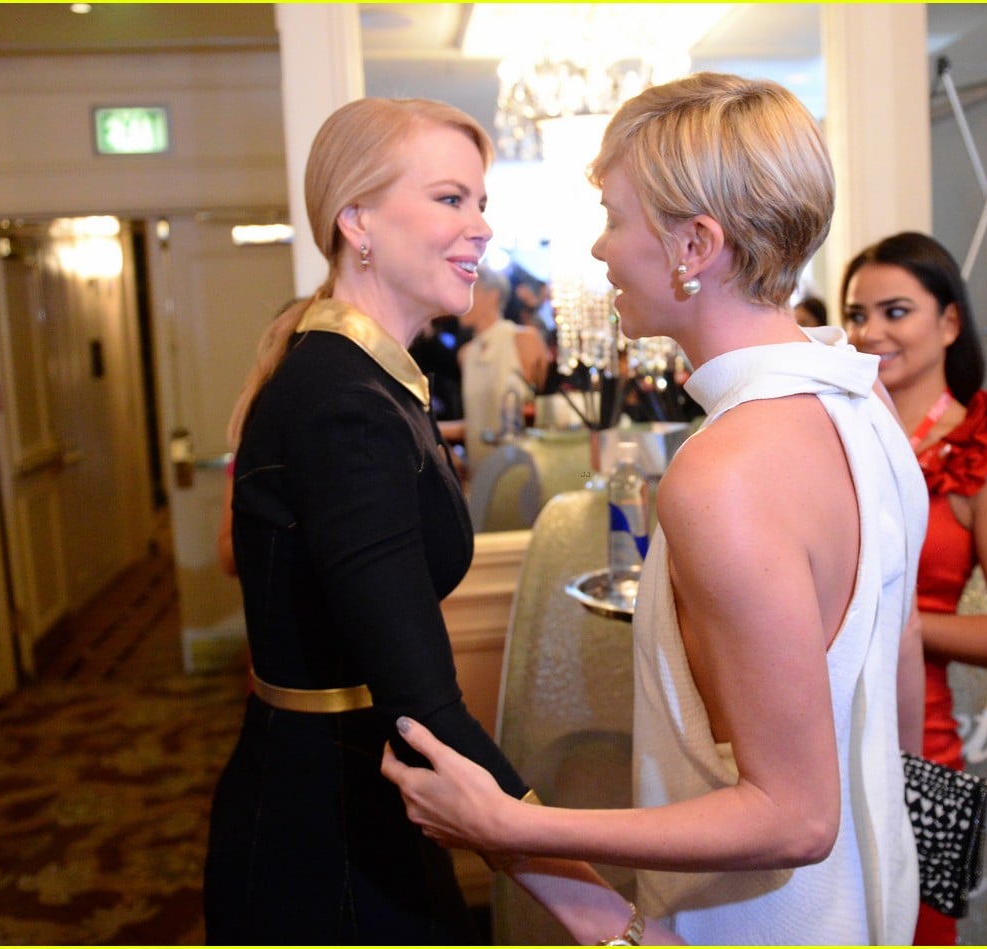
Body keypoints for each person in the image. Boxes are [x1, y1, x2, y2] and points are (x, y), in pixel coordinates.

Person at [383, 72, 927, 945]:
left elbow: (793, 818)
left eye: (615, 219)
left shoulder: (726, 472)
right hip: (869, 903)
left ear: (695, 244)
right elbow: (897, 674)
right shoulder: (865, 403)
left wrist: (515, 828)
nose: (599, 251)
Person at [203, 96, 681, 947]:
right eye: (450, 199)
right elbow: (424, 706)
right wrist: (604, 915)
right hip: (329, 834)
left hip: (361, 795)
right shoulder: (342, 401)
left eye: (482, 202)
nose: (482, 229)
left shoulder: (373, 379)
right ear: (357, 220)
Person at [842, 231, 987, 944]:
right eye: (856, 314)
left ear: (950, 321)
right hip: (821, 731)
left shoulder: (986, 453)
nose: (870, 332)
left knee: (917, 931)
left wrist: (897, 623)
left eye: (895, 311)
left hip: (918, 746)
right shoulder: (835, 435)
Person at [458, 265, 551, 474]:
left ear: (492, 295)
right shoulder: (465, 355)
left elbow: (543, 409)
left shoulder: (524, 339)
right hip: (480, 475)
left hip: (522, 471)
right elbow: (476, 421)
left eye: (468, 287)